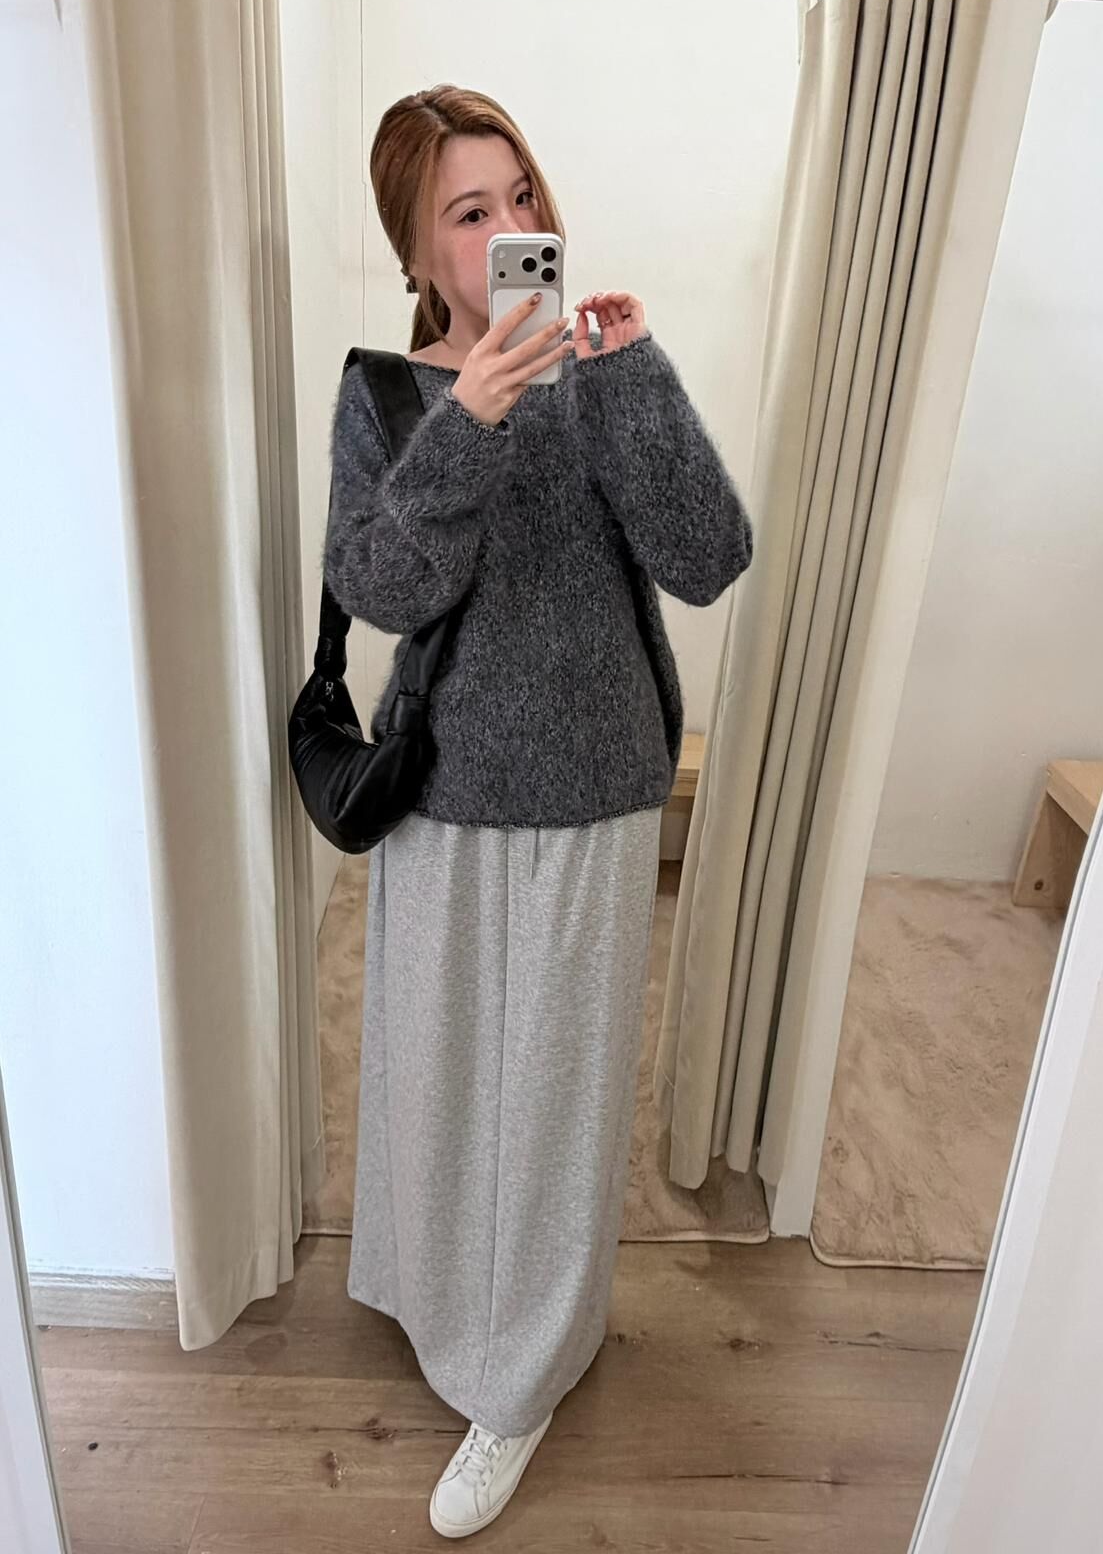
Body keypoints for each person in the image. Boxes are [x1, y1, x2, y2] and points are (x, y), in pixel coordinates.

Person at [322, 83, 754, 1540]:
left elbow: (710, 557)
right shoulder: (386, 395)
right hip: (443, 788)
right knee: (438, 1070)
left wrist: (634, 381)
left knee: (556, 1103)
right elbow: (380, 590)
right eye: (470, 211)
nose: (513, 227)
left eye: (522, 197)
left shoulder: (600, 378)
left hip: (593, 790)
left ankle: (522, 1381)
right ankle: (438, 1295)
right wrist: (468, 425)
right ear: (417, 249)